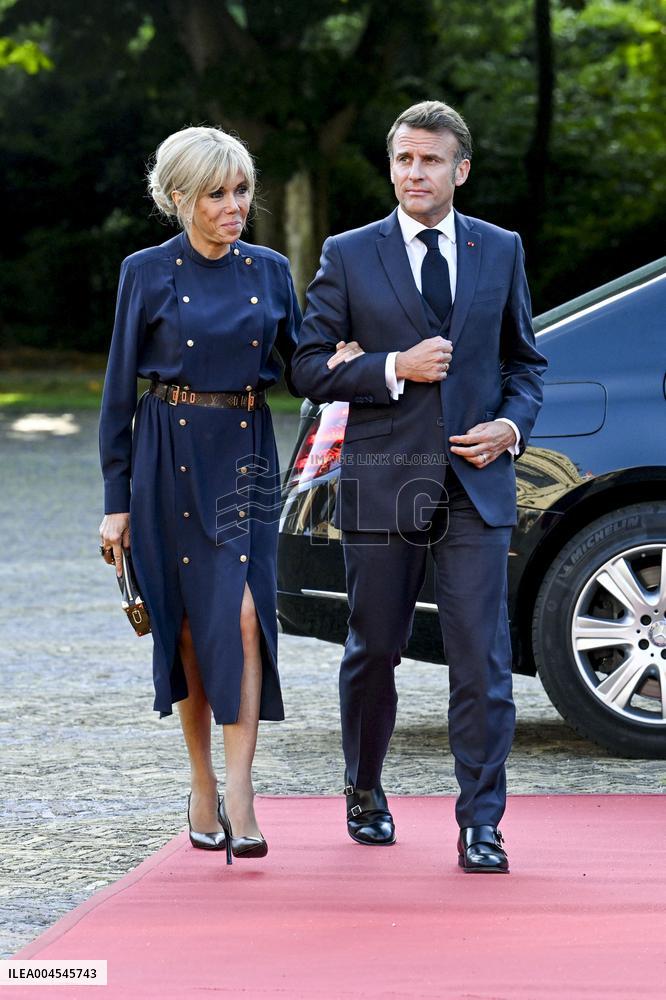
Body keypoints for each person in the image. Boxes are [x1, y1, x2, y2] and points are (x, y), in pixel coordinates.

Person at [291, 100, 547, 873]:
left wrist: (511, 426)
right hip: (382, 483)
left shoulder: (499, 250)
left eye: (430, 160)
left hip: (476, 487)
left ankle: (482, 824)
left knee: (482, 660)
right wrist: (391, 368)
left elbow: (525, 366)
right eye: (403, 158)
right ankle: (364, 789)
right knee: (374, 651)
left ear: (459, 169)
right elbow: (305, 366)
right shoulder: (350, 252)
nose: (414, 172)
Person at [98, 126, 300, 863]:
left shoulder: (272, 270)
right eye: (216, 193)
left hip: (245, 454)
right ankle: (202, 783)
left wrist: (358, 361)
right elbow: (118, 393)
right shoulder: (145, 272)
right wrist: (115, 501)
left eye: (241, 190)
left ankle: (243, 791)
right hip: (166, 455)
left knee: (244, 616)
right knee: (184, 626)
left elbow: (302, 368)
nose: (233, 205)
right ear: (179, 197)